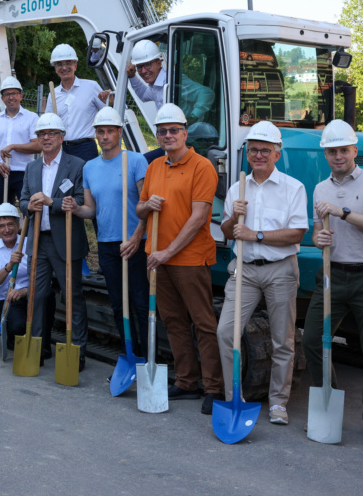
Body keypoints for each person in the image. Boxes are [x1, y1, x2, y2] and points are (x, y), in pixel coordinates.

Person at [302, 119, 363, 442]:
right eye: (332, 151)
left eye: (343, 150)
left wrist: (342, 213)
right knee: (312, 339)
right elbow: (316, 232)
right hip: (332, 274)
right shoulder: (320, 188)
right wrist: (319, 237)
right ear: (325, 154)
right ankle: (332, 402)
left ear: (355, 150)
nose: (338, 156)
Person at [216, 121, 308, 426]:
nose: (258, 155)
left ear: (276, 154)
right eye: (254, 150)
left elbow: (296, 234)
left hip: (280, 270)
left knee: (283, 340)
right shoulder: (236, 189)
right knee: (226, 332)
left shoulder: (293, 188)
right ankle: (234, 397)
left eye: (265, 150)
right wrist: (233, 217)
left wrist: (255, 234)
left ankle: (278, 403)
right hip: (244, 270)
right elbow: (227, 232)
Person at [136, 103, 222, 415]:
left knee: (203, 323)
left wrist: (167, 252)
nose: (168, 135)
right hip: (157, 259)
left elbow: (199, 218)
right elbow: (140, 209)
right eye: (162, 131)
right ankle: (187, 380)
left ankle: (214, 387)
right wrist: (147, 207)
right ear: (157, 136)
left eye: (174, 130)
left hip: (189, 259)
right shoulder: (155, 166)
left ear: (185, 133)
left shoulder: (202, 167)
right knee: (172, 321)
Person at [67, 106, 148, 364]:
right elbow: (91, 210)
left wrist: (136, 237)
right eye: (100, 132)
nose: (104, 136)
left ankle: (146, 356)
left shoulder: (135, 161)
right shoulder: (90, 167)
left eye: (109, 131)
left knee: (139, 301)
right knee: (117, 302)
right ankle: (129, 354)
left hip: (135, 242)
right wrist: (76, 208)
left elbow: (146, 207)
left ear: (119, 133)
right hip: (107, 244)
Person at [20, 112, 88, 369]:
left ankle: (77, 349)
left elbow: (80, 200)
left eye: (51, 134)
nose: (46, 138)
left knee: (72, 295)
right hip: (38, 240)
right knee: (36, 295)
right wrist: (30, 205)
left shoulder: (77, 165)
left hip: (66, 239)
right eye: (41, 134)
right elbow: (23, 200)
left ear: (62, 137)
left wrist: (53, 203)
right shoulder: (31, 167)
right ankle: (36, 346)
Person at [44, 43, 105, 162]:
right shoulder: (53, 93)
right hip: (62, 149)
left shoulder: (91, 87)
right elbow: (48, 124)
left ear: (75, 65)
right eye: (59, 64)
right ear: (55, 69)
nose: (64, 67)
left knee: (85, 181)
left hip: (86, 149)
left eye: (68, 63)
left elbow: (107, 112)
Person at [0, 76, 40, 204]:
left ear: (21, 96)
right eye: (7, 94)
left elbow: (38, 146)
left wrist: (13, 146)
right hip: (1, 173)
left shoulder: (32, 118)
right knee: (2, 211)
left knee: (28, 209)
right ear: (2, 98)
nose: (11, 97)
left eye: (14, 93)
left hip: (24, 172)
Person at [0, 203, 32, 344]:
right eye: (1, 226)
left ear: (18, 224)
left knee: (47, 299)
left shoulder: (30, 244)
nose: (7, 230)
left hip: (30, 295)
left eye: (10, 224)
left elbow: (43, 278)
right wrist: (9, 266)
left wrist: (24, 291)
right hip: (5, 300)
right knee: (18, 328)